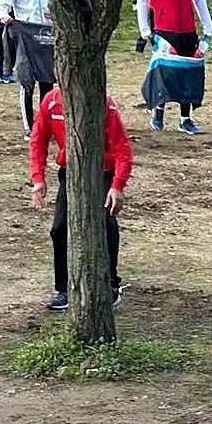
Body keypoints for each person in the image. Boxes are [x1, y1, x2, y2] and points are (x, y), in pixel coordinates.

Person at [29, 86, 133, 312]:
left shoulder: (103, 104)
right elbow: (38, 140)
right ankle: (64, 289)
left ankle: (111, 284)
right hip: (71, 172)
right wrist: (38, 178)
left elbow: (122, 148)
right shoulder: (50, 102)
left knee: (106, 223)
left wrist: (117, 186)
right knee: (59, 228)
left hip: (102, 172)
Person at [137, 0, 212, 133]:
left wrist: (208, 27)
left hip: (188, 31)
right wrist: (145, 30)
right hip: (165, 31)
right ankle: (158, 111)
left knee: (187, 73)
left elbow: (199, 0)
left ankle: (185, 118)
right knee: (166, 74)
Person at [0, 0, 55, 139]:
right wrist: (3, 17)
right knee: (27, 82)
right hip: (26, 37)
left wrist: (53, 13)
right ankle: (30, 127)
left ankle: (48, 125)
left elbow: (56, 1)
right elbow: (2, 5)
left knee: (48, 83)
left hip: (46, 36)